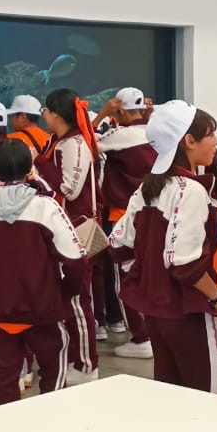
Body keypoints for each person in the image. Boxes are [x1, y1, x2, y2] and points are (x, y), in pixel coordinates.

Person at [110, 101, 217, 393]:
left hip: (159, 317)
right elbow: (185, 264)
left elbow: (118, 244)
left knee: (173, 400)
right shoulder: (191, 191)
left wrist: (148, 289)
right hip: (194, 316)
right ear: (189, 140)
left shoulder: (148, 188)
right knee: (210, 404)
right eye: (210, 134)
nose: (216, 142)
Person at [0, 140, 87, 404]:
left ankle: (11, 427)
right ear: (30, 169)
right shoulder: (46, 207)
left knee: (5, 383)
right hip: (42, 309)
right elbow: (76, 260)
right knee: (52, 375)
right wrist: (64, 295)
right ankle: (49, 424)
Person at [35, 88, 102, 383]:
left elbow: (70, 189)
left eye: (45, 111)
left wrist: (40, 164)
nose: (44, 116)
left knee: (77, 300)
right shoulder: (57, 142)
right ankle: (72, 359)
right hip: (59, 231)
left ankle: (86, 365)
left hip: (76, 232)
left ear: (56, 114)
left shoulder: (74, 144)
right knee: (66, 299)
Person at [95, 87, 157, 359]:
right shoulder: (154, 133)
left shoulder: (119, 137)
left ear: (119, 110)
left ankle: (141, 337)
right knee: (151, 272)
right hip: (155, 212)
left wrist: (102, 114)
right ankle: (154, 331)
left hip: (123, 215)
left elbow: (86, 144)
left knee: (126, 274)